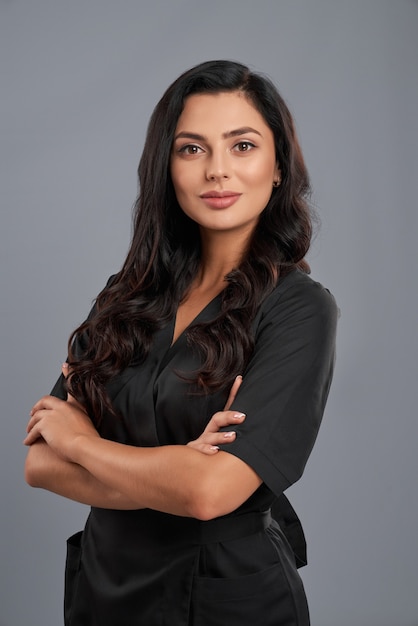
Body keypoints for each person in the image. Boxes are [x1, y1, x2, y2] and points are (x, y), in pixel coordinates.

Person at [24, 60, 338, 626]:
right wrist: (174, 468)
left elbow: (209, 495)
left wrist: (86, 444)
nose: (218, 170)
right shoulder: (125, 297)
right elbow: (41, 463)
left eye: (242, 146)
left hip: (223, 599)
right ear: (166, 168)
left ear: (277, 168)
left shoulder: (300, 310)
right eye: (192, 149)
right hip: (104, 592)